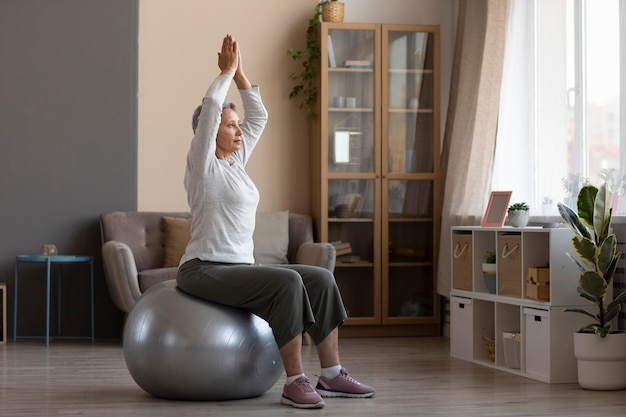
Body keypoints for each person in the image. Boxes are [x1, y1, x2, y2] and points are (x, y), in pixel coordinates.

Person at [176, 34, 375, 409]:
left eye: (237, 125)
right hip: (204, 268)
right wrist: (224, 73)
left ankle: (331, 375)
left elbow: (260, 116)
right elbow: (211, 105)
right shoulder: (202, 166)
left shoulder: (235, 162)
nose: (239, 130)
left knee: (320, 277)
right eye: (230, 125)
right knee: (287, 281)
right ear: (210, 131)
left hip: (238, 267)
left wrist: (240, 74)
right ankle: (294, 381)